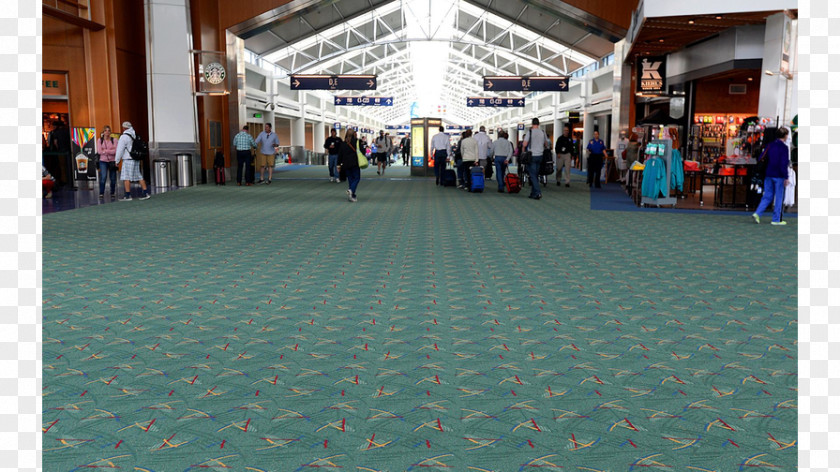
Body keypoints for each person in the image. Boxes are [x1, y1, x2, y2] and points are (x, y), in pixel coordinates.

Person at [752, 127, 791, 225]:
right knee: (779, 197)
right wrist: (786, 177)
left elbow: (761, 157)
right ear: (785, 136)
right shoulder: (784, 148)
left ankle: (758, 213)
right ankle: (776, 219)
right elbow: (784, 163)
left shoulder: (770, 145)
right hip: (779, 175)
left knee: (767, 196)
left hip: (768, 173)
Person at [115, 121, 150, 201]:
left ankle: (128, 195)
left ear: (124, 128)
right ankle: (145, 192)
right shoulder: (134, 134)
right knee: (138, 175)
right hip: (135, 158)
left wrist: (117, 160)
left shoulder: (124, 136)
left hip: (128, 158)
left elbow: (120, 149)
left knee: (126, 177)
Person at [521, 118, 550, 200]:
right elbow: (546, 143)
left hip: (532, 156)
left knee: (532, 175)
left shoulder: (529, 132)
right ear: (539, 124)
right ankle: (533, 193)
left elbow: (525, 144)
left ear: (532, 124)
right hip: (540, 156)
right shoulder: (542, 132)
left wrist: (523, 152)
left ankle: (537, 192)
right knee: (536, 174)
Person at [336, 128, 361, 202]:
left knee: (350, 179)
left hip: (346, 164)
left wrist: (338, 165)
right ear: (354, 134)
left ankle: (352, 195)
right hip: (355, 163)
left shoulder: (343, 144)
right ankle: (351, 190)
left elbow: (340, 155)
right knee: (357, 178)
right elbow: (362, 151)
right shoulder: (356, 142)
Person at [97, 125, 118, 198]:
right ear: (103, 132)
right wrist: (110, 150)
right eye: (105, 130)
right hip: (103, 161)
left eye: (109, 131)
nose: (107, 132)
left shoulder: (114, 140)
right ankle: (101, 193)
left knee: (113, 177)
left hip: (112, 161)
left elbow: (115, 151)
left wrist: (105, 151)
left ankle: (112, 192)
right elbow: (99, 151)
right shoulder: (100, 140)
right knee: (103, 176)